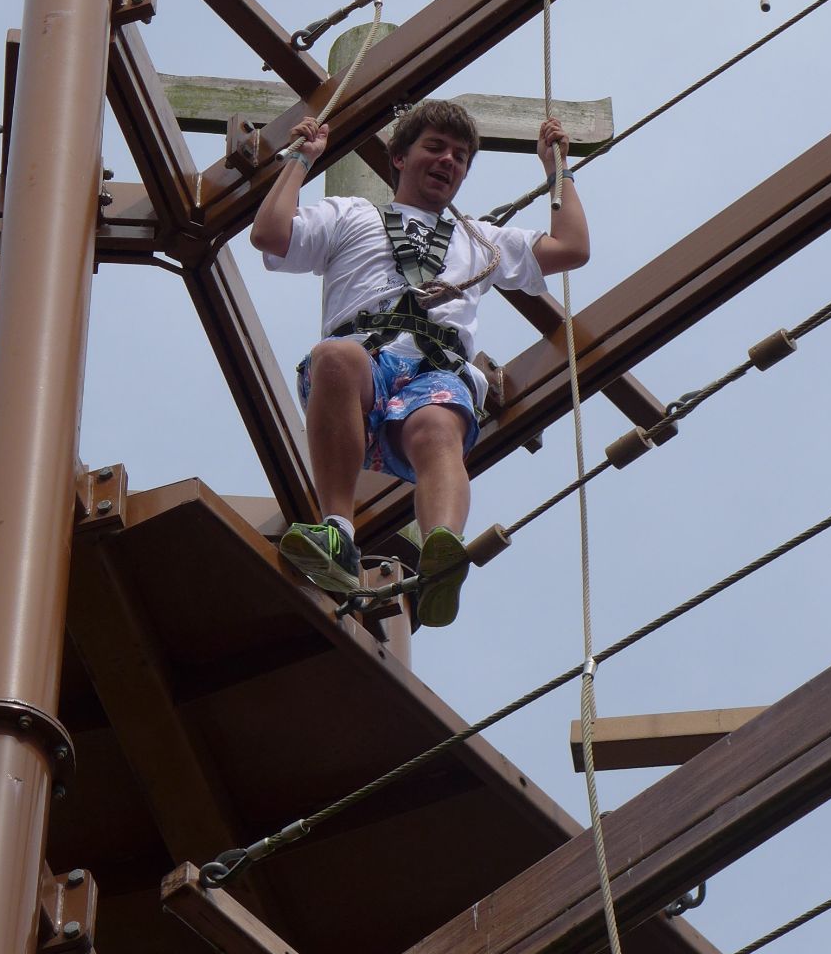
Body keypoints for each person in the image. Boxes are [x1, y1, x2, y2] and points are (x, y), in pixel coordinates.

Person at [249, 98, 589, 626]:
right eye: (435, 148)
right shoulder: (351, 215)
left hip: (434, 373)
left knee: (437, 426)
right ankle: (338, 532)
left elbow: (571, 247)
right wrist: (301, 159)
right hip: (366, 364)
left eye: (460, 156)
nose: (449, 161)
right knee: (334, 357)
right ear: (400, 158)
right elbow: (270, 234)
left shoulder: (482, 240)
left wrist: (556, 172)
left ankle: (442, 555)